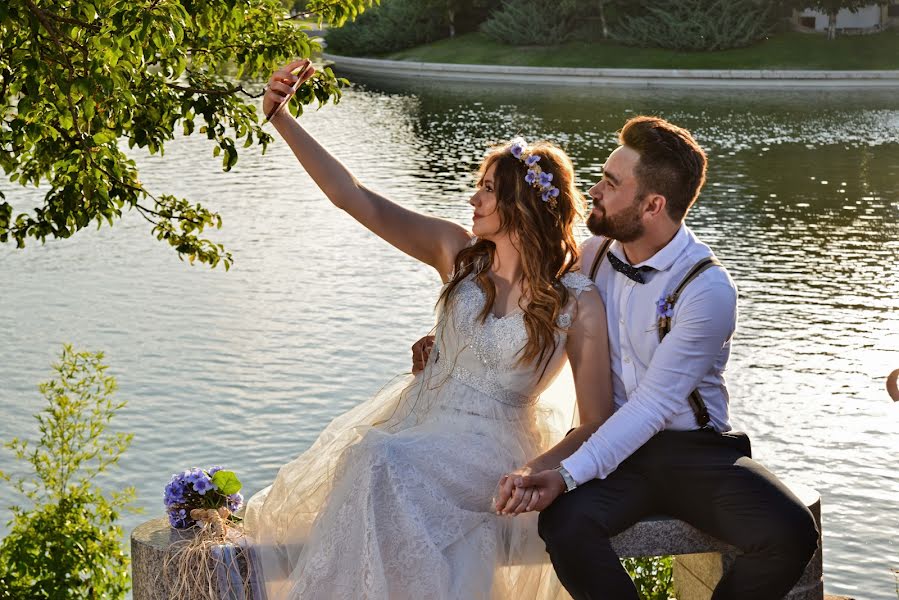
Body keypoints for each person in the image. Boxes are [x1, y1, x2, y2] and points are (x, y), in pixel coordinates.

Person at [243, 59, 615, 599]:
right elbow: (354, 197)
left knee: (377, 459)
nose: (473, 200)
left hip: (493, 451)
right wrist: (281, 117)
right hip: (421, 422)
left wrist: (538, 471)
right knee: (373, 459)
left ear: (521, 203)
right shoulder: (456, 253)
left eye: (487, 190)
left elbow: (595, 422)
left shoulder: (576, 302)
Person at [485, 116, 821, 600]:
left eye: (611, 183)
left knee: (790, 530)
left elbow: (653, 405)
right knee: (565, 525)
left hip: (695, 453)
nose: (594, 190)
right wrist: (448, 340)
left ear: (653, 205)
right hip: (619, 455)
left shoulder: (707, 289)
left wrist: (565, 474)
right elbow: (526, 298)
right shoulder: (594, 255)